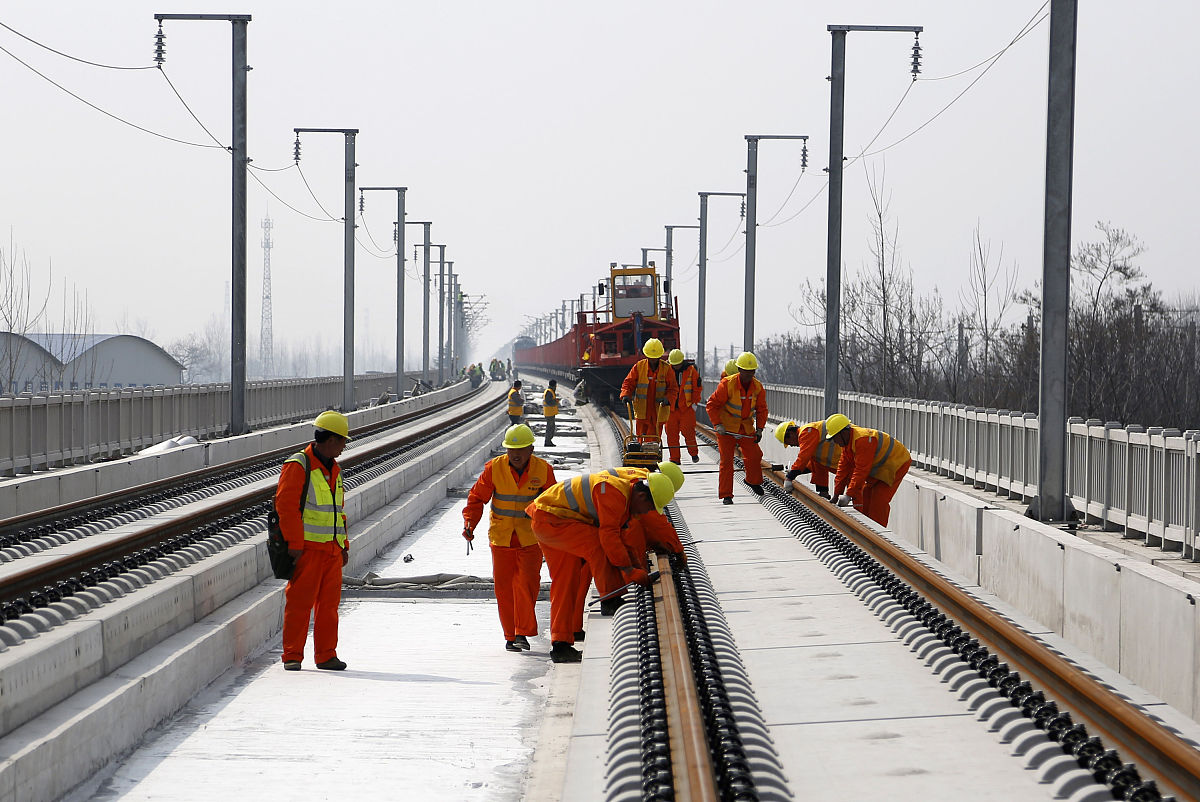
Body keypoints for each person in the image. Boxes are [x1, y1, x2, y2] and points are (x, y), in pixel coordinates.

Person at [526, 471, 675, 663]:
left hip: (549, 520)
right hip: (551, 519)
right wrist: (629, 572)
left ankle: (561, 644)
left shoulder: (625, 500)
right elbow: (609, 537)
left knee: (567, 580)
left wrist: (638, 569)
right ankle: (609, 600)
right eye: (649, 506)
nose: (647, 512)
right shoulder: (613, 493)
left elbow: (622, 539)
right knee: (598, 545)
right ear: (640, 496)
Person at [462, 424, 555, 653]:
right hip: (501, 538)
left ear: (531, 449)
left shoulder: (543, 471)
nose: (515, 454)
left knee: (527, 585)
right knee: (504, 589)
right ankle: (511, 635)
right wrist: (469, 523)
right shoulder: (494, 469)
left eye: (521, 449)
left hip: (530, 539)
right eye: (511, 449)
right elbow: (476, 498)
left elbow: (554, 503)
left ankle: (521, 632)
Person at [275, 410, 351, 671]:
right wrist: (294, 546)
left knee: (328, 607)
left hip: (331, 550)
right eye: (342, 441)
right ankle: (293, 655)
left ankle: (326, 655)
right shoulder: (299, 466)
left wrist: (343, 546)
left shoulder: (334, 469)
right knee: (300, 604)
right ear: (330, 440)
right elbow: (286, 508)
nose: (344, 447)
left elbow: (337, 511)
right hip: (307, 550)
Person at [705, 351, 768, 505]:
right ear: (739, 370)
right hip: (726, 428)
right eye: (746, 371)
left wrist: (759, 429)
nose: (749, 375)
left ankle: (753, 481)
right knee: (726, 461)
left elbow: (762, 410)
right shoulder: (727, 384)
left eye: (752, 371)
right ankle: (727, 495)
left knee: (754, 455)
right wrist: (718, 424)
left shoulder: (758, 387)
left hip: (745, 427)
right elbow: (712, 405)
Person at [827, 413, 912, 527]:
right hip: (881, 468)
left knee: (878, 501)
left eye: (835, 437)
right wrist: (837, 494)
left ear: (843, 432)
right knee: (866, 495)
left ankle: (878, 534)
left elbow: (861, 470)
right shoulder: (847, 443)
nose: (834, 442)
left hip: (896, 464)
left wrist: (848, 494)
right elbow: (843, 469)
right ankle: (867, 528)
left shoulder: (863, 440)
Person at [619, 338, 678, 439]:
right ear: (646, 355)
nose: (653, 360)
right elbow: (628, 383)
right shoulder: (639, 367)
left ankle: (653, 453)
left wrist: (668, 399)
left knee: (654, 440)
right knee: (641, 439)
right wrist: (625, 394)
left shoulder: (667, 369)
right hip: (642, 411)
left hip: (658, 411)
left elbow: (673, 388)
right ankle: (641, 454)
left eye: (655, 357)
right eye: (651, 357)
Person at [774, 420, 842, 499]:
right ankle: (823, 491)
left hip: (849, 460)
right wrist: (794, 471)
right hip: (842, 463)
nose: (791, 446)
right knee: (816, 461)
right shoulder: (809, 435)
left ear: (791, 434)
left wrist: (790, 477)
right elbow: (813, 465)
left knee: (857, 494)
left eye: (788, 443)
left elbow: (804, 457)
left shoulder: (806, 432)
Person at [665, 349, 702, 464]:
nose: (676, 366)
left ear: (682, 362)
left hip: (686, 408)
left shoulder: (691, 371)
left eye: (678, 364)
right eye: (673, 364)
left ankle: (694, 453)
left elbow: (697, 388)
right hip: (671, 409)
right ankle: (675, 459)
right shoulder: (666, 370)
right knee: (671, 434)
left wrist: (695, 404)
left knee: (688, 432)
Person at [542, 379, 559, 446]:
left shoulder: (550, 391)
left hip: (550, 412)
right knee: (550, 428)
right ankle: (548, 441)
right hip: (549, 413)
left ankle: (548, 441)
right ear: (554, 385)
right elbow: (549, 402)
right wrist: (556, 402)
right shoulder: (549, 392)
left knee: (551, 427)